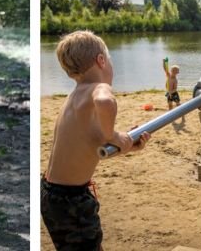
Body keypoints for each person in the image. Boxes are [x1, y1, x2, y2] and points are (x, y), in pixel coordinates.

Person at [42, 31, 151, 250]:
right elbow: (105, 102)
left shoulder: (73, 97)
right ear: (101, 60)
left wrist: (126, 146)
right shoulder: (98, 88)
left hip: (50, 193)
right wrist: (112, 135)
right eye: (109, 60)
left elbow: (88, 147)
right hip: (72, 199)